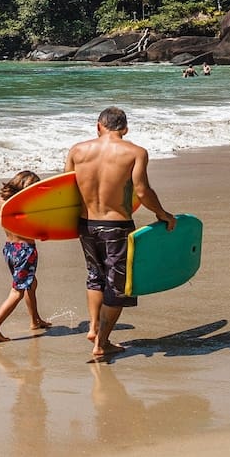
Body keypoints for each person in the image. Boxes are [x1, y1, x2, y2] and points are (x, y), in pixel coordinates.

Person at [65, 107, 176, 358]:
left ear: (98, 126)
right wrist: (162, 214)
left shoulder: (77, 150)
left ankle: (94, 327)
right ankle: (102, 343)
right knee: (118, 287)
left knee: (95, 275)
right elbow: (142, 191)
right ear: (125, 129)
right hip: (116, 227)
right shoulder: (135, 152)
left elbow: (64, 191)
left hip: (86, 224)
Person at [0, 171, 53, 342]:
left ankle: (35, 320)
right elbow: (34, 227)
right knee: (17, 291)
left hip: (10, 248)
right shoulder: (26, 204)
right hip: (25, 251)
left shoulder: (4, 200)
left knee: (31, 283)